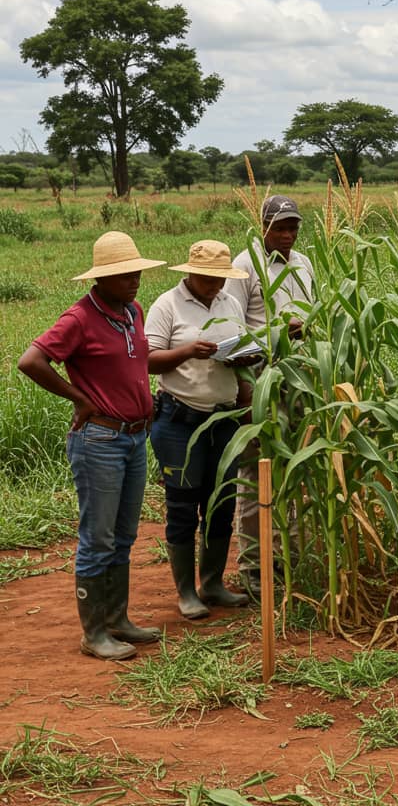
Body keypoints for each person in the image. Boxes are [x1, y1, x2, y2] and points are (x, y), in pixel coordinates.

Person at [17, 231, 165, 660]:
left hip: (134, 437)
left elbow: (135, 363)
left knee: (124, 534)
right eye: (124, 274)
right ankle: (94, 632)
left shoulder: (132, 311)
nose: (134, 280)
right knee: (98, 537)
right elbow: (31, 361)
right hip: (100, 439)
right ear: (101, 278)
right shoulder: (79, 319)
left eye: (136, 272)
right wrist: (79, 398)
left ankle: (118, 619)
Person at [146, 241, 252, 620]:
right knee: (183, 506)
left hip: (223, 420)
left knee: (220, 504)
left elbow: (241, 360)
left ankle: (213, 584)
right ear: (191, 273)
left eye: (220, 279)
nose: (215, 285)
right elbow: (148, 360)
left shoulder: (230, 303)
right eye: (208, 278)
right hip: (180, 421)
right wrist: (188, 351)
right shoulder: (167, 305)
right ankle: (186, 592)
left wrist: (243, 375)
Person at [224, 195, 316, 591]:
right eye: (280, 227)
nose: (288, 235)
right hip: (260, 380)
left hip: (300, 378)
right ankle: (254, 566)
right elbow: (232, 330)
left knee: (297, 466)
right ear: (263, 226)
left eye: (293, 227)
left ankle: (290, 556)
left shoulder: (303, 264)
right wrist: (247, 393)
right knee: (254, 470)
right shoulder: (244, 266)